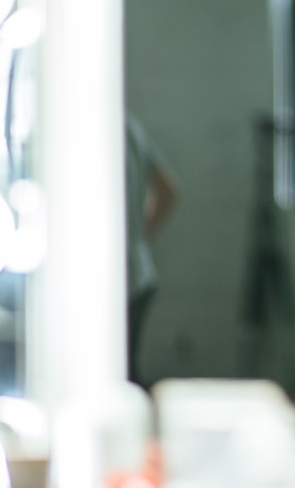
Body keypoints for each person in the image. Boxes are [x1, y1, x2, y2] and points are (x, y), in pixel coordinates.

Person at [126, 111, 179, 385]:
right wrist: (139, 239)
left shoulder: (84, 129)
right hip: (139, 272)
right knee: (126, 374)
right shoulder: (130, 125)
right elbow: (169, 190)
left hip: (115, 284)